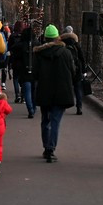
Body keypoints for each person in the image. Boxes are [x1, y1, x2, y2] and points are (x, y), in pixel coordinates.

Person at [32, 24, 77, 163]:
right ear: (58, 37)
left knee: (45, 119)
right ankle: (51, 148)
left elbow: (35, 74)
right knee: (56, 120)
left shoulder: (39, 54)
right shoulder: (66, 53)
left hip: (45, 90)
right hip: (61, 91)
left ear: (45, 38)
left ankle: (46, 146)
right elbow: (73, 71)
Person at [11, 26, 38, 117]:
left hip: (24, 71)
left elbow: (13, 52)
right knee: (34, 91)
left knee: (27, 91)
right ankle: (33, 108)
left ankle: (30, 109)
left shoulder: (19, 45)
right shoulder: (37, 44)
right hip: (35, 71)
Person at [60, 27, 87, 115]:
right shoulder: (76, 44)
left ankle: (63, 106)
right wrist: (83, 70)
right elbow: (82, 58)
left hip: (66, 70)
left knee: (65, 89)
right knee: (78, 89)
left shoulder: (62, 44)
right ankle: (79, 107)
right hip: (77, 70)